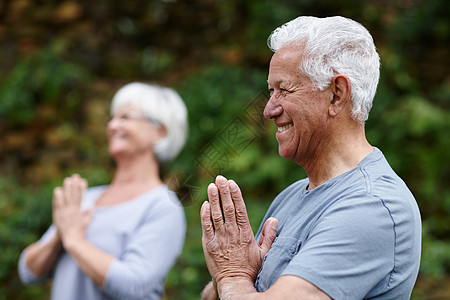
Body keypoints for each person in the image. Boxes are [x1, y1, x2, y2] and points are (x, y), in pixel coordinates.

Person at [200, 16, 421, 300]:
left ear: (336, 95)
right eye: (271, 91)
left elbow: (236, 283)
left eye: (284, 90)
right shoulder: (291, 196)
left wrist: (232, 275)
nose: (269, 110)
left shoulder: (373, 205)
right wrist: (236, 276)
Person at [18, 82, 188, 300]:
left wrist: (74, 241)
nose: (112, 126)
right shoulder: (85, 199)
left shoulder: (163, 207)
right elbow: (28, 272)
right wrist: (58, 237)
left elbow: (133, 285)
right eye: (113, 118)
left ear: (160, 132)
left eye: (125, 117)